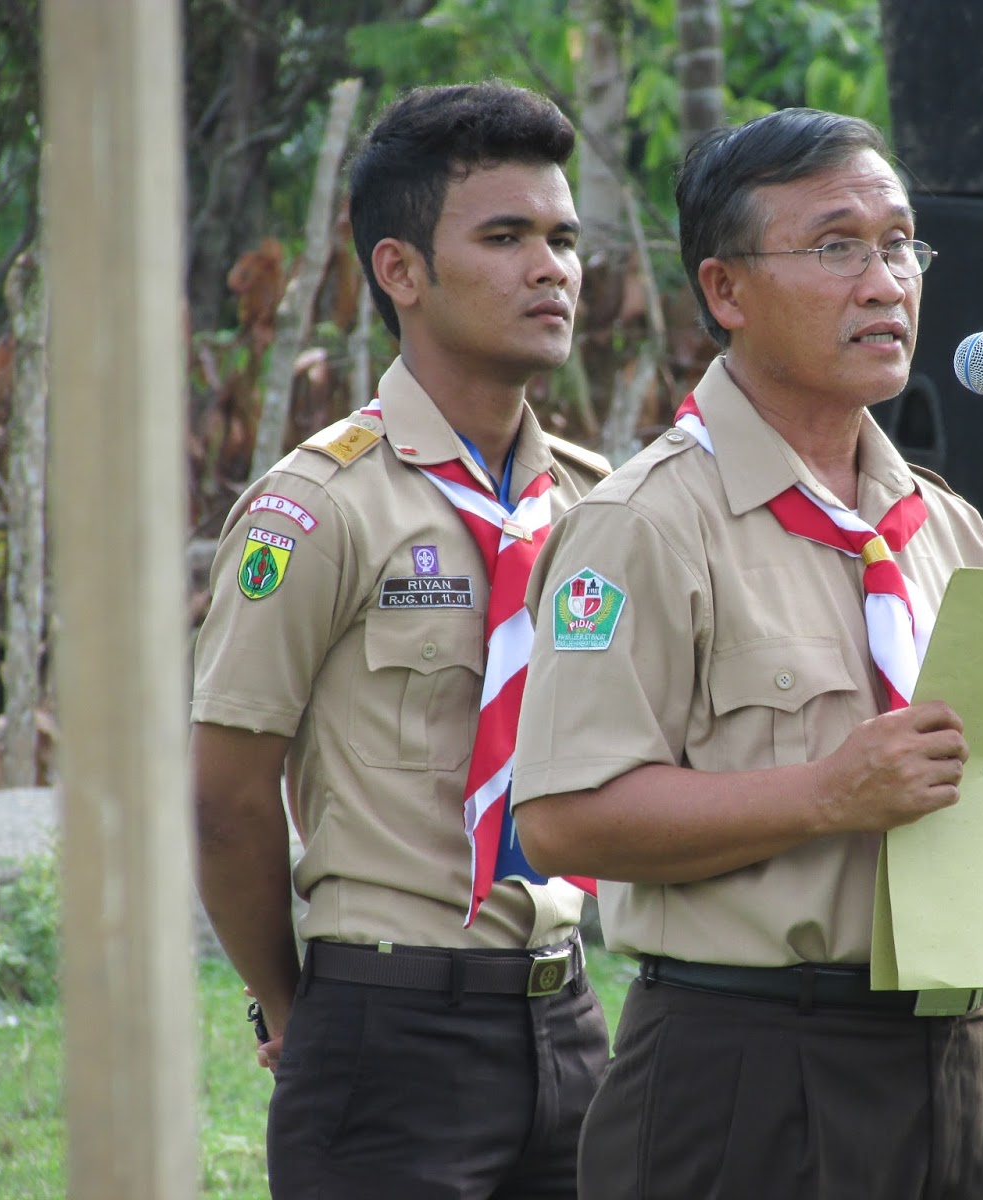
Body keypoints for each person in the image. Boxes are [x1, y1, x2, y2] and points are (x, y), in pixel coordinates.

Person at [510, 107, 983, 1200]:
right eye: (835, 246)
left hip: (964, 1053)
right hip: (755, 1062)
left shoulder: (941, 526)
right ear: (725, 292)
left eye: (900, 242)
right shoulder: (646, 525)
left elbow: (966, 790)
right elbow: (565, 818)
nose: (885, 281)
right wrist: (823, 793)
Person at [191, 82, 610, 1200]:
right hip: (385, 1030)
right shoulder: (319, 507)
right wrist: (297, 1009)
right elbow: (225, 799)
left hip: (570, 1024)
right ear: (400, 271)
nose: (552, 267)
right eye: (507, 236)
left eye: (564, 238)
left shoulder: (594, 506)